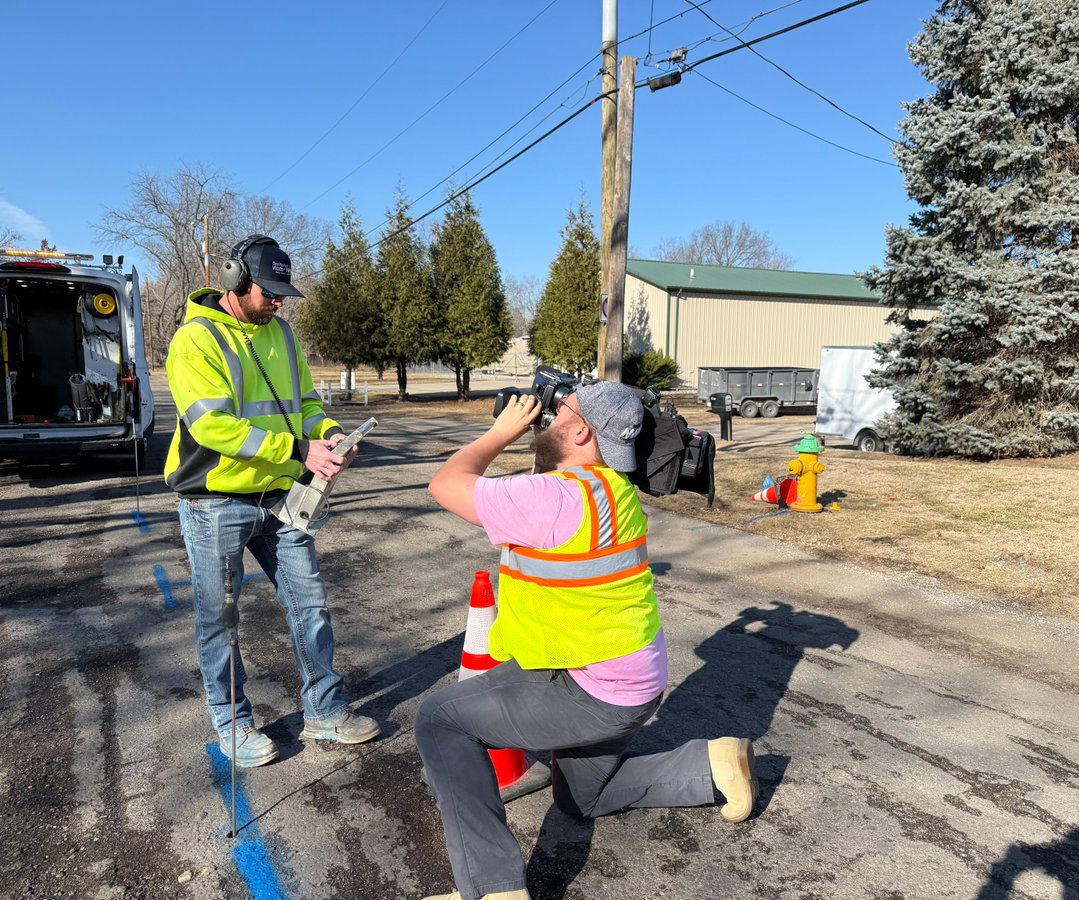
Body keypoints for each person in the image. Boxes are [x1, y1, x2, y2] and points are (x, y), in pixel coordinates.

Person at [418, 380, 758, 900]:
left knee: (441, 721)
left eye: (561, 410)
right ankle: (711, 765)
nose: (550, 414)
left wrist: (500, 432)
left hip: (590, 689)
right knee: (578, 800)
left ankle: (492, 889)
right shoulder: (613, 489)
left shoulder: (550, 499)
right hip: (632, 683)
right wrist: (539, 442)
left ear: (579, 430)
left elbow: (446, 483)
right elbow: (548, 490)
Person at [164, 234, 379, 768]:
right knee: (222, 618)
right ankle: (232, 723)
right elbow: (212, 426)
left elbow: (305, 402)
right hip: (215, 501)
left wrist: (327, 435)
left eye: (285, 292)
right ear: (236, 280)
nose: (279, 301)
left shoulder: (280, 333)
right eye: (270, 291)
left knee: (310, 604)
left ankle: (324, 711)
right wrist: (297, 449)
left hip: (281, 496)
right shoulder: (196, 341)